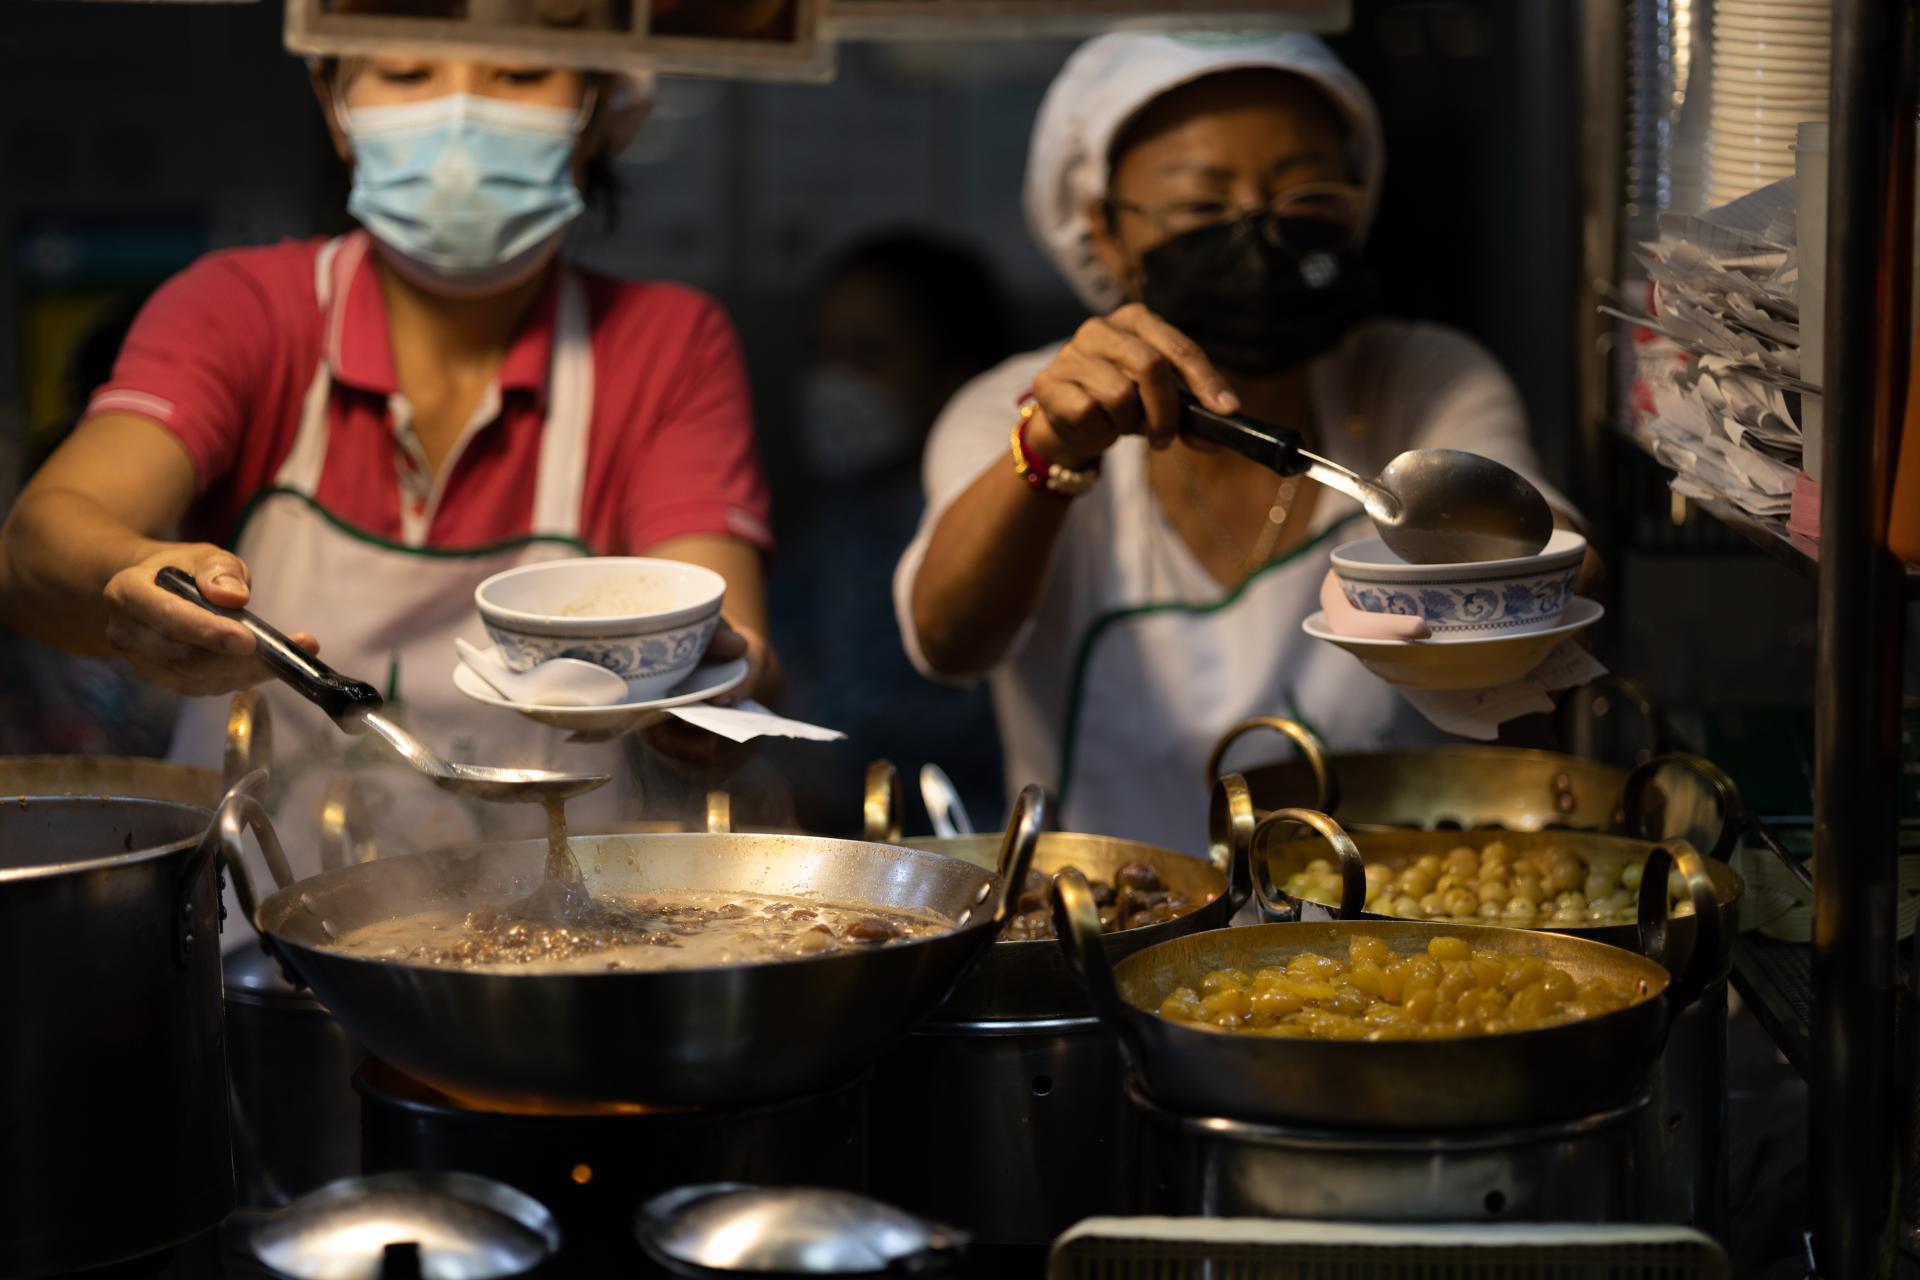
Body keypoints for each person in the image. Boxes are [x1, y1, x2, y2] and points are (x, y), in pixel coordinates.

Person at [0, 48, 776, 889]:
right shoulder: (240, 309)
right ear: (335, 103)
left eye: (518, 76)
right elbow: (39, 543)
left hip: (565, 958)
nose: (460, 115)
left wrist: (706, 690)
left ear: (597, 107)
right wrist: (133, 583)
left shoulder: (664, 345)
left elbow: (719, 618)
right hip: (251, 960)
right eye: (407, 74)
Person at [894, 32, 1581, 853]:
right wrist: (1048, 451)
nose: (1257, 234)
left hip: (1382, 938)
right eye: (1201, 207)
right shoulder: (1017, 408)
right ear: (1105, 230)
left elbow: (1556, 567)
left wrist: (1541, 583)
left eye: (1306, 197)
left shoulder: (1419, 381)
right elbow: (947, 643)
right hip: (1103, 927)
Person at [773, 230, 1012, 831]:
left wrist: (832, 764)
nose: (837, 381)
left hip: (969, 844)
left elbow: (985, 717)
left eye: (868, 354)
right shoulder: (843, 515)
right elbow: (786, 651)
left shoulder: (1002, 526)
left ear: (956, 376)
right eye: (826, 352)